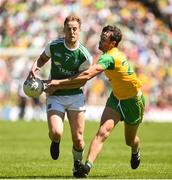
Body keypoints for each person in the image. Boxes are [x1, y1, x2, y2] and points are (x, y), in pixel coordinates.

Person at [44, 25, 145, 178]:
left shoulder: (109, 57)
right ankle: (87, 167)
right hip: (116, 98)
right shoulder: (109, 54)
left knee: (130, 140)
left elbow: (86, 75)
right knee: (103, 132)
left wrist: (57, 83)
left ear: (113, 43)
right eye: (101, 37)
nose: (100, 40)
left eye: (104, 39)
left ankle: (135, 149)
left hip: (133, 102)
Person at [26, 14, 92, 177]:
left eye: (75, 29)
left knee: (78, 138)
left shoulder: (84, 55)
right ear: (64, 29)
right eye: (68, 28)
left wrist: (56, 83)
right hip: (55, 96)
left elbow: (80, 82)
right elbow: (42, 58)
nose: (72, 32)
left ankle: (77, 164)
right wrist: (35, 67)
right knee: (56, 132)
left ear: (79, 30)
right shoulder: (54, 46)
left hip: (75, 96)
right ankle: (55, 142)